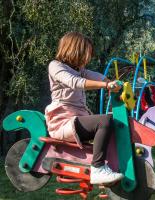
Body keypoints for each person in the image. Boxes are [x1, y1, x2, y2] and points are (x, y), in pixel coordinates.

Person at [45, 32, 124, 185]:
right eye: (85, 53)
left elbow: (94, 75)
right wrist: (106, 85)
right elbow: (74, 82)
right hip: (62, 123)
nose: (88, 58)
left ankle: (110, 168)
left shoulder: (79, 69)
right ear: (74, 50)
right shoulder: (55, 66)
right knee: (104, 121)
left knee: (113, 123)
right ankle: (98, 168)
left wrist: (111, 82)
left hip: (76, 121)